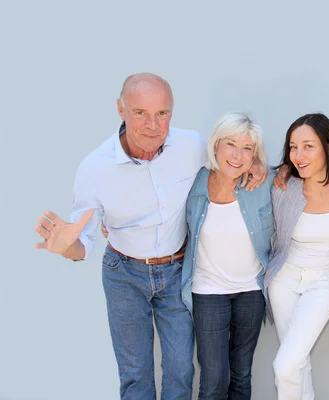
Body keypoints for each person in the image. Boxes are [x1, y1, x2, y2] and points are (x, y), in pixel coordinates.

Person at [33, 73, 266, 400]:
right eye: (140, 112)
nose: (152, 125)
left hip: (176, 272)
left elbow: (228, 161)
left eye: (162, 113)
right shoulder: (94, 168)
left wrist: (258, 164)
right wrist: (66, 247)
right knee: (136, 374)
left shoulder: (191, 146)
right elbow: (81, 244)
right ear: (120, 109)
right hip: (123, 275)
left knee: (181, 370)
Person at [265, 113, 329, 400]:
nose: (299, 155)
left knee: (285, 365)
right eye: (293, 147)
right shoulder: (284, 186)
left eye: (308, 146)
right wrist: (281, 169)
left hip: (325, 282)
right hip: (283, 279)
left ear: (328, 147)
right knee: (297, 364)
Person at [181, 112, 274, 400]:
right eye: (231, 144)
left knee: (241, 375)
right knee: (213, 379)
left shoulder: (263, 182)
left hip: (250, 292)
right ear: (215, 145)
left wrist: (268, 168)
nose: (238, 155)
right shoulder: (193, 182)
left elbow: (297, 171)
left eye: (247, 149)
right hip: (208, 292)